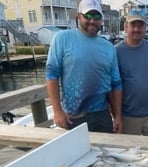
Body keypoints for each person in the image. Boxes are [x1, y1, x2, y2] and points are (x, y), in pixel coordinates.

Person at [46, 0, 122, 133]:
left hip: (102, 114)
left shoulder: (109, 47)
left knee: (105, 152)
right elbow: (51, 75)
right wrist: (57, 110)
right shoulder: (62, 38)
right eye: (88, 15)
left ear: (101, 20)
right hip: (73, 116)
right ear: (78, 16)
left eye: (97, 16)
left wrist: (117, 116)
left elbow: (116, 84)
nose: (92, 20)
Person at [115, 10, 148, 136]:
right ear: (126, 27)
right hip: (128, 116)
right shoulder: (116, 51)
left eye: (140, 25)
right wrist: (116, 114)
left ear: (145, 28)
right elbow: (113, 84)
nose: (137, 29)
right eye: (133, 25)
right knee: (129, 153)